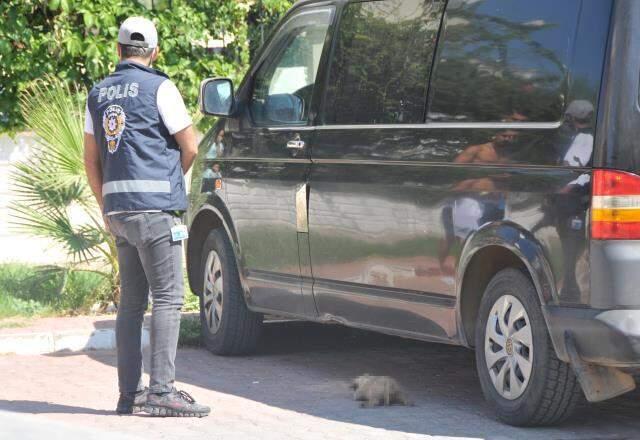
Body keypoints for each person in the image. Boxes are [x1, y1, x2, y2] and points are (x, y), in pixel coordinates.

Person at [83, 16, 210, 417]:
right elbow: (189, 145)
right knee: (170, 299)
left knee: (132, 305)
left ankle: (128, 395)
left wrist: (106, 206)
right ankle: (161, 391)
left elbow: (91, 160)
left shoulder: (98, 94)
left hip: (118, 213)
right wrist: (171, 183)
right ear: (154, 52)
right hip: (156, 213)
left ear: (118, 51)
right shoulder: (160, 86)